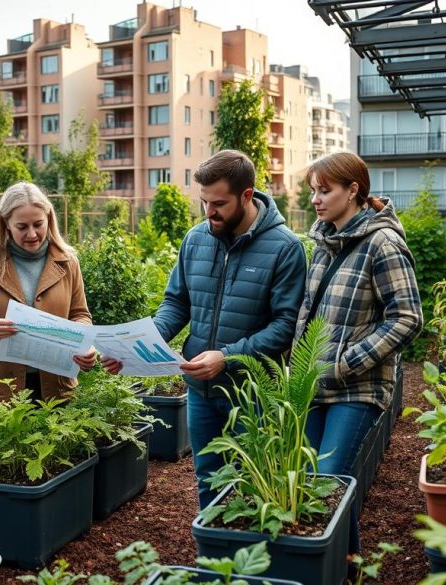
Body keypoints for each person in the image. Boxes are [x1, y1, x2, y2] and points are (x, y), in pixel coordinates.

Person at [102, 149, 307, 508]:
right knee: (208, 481)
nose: (209, 212)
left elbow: (286, 326)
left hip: (253, 394)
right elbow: (176, 304)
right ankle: (213, 559)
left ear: (247, 195)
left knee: (255, 486)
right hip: (201, 390)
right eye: (204, 202)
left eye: (219, 203)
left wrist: (227, 358)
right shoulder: (195, 240)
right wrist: (138, 343)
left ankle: (249, 561)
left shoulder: (285, 248)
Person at [297, 152, 423, 560]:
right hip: (313, 383)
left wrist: (344, 363)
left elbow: (407, 318)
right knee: (318, 485)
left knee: (330, 478)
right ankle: (345, 565)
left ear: (354, 190)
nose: (316, 199)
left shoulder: (382, 243)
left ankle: (341, 566)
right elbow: (310, 310)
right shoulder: (323, 241)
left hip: (357, 387)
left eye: (325, 190)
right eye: (313, 190)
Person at [0, 182, 96, 404]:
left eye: (38, 224)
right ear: (6, 224)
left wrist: (83, 345)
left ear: (49, 219)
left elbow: (80, 314)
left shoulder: (67, 262)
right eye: (22, 227)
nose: (32, 234)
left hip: (56, 389)